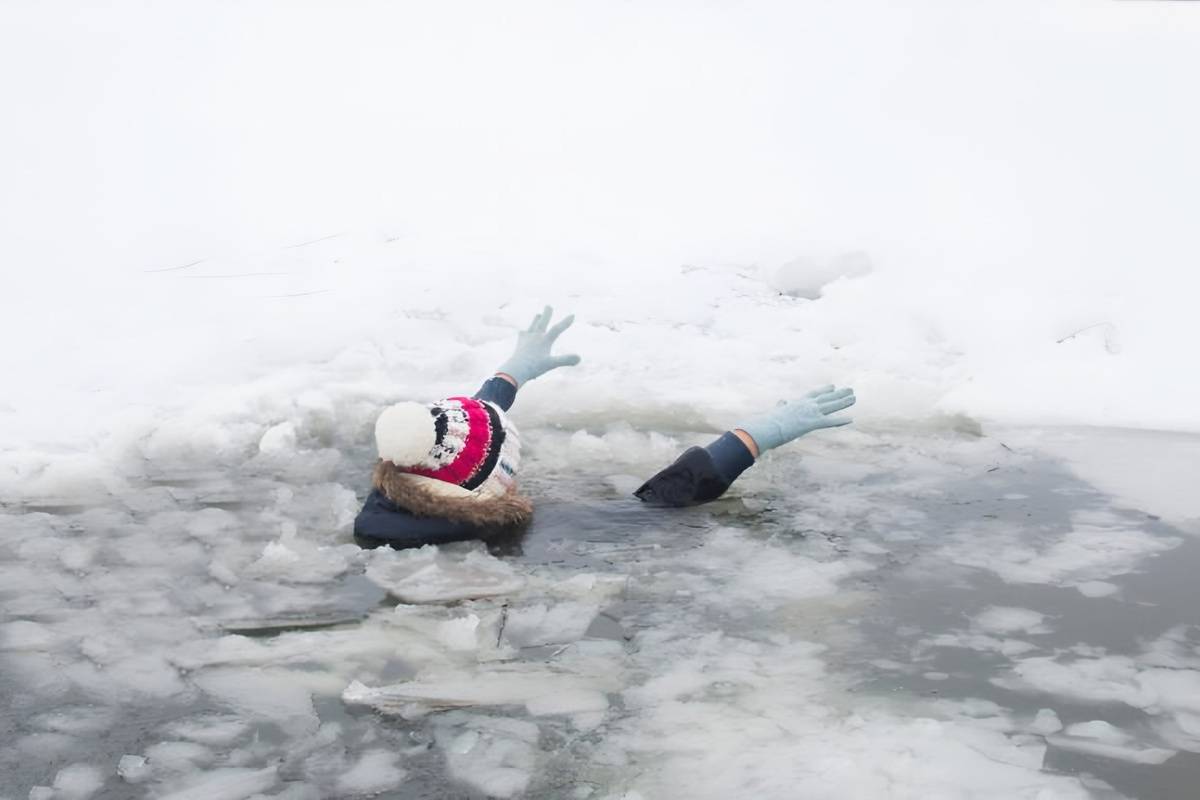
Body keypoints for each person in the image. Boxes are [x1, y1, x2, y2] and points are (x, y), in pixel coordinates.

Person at [353, 307, 856, 549]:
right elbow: (654, 503)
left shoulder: (387, 503)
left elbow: (461, 443)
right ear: (489, 490)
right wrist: (747, 441)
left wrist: (507, 378)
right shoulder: (496, 533)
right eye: (509, 472)